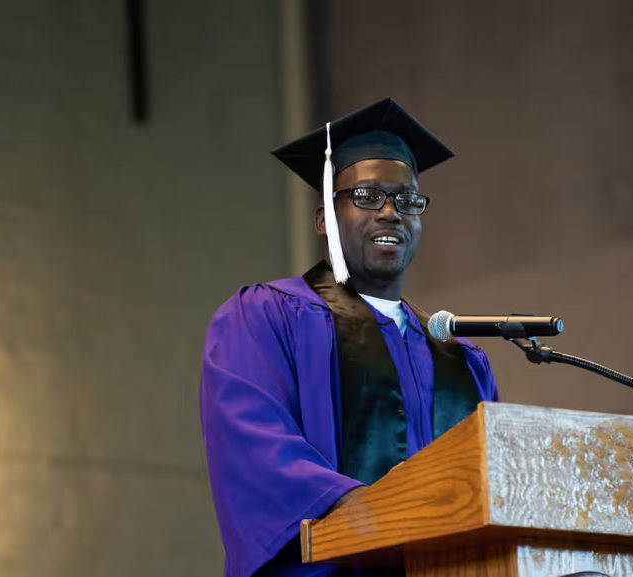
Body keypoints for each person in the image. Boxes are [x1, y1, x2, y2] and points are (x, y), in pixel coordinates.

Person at [199, 97, 499, 577]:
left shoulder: (460, 355)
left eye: (407, 200)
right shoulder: (264, 317)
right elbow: (257, 448)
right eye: (366, 196)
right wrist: (377, 512)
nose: (390, 212)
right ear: (323, 219)